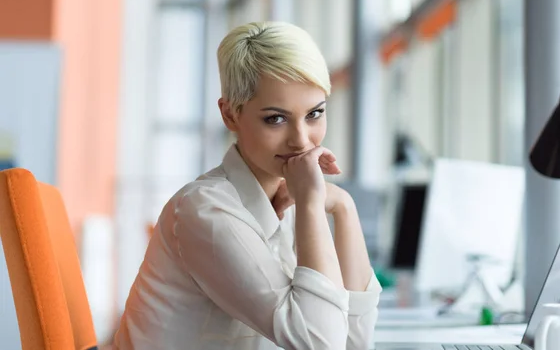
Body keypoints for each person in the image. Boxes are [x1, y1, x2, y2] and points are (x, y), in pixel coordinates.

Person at [114, 22, 382, 350]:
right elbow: (322, 344)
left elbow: (354, 343)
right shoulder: (206, 210)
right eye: (276, 118)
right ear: (230, 115)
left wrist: (343, 208)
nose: (301, 140)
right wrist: (312, 204)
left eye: (314, 114)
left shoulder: (285, 205)